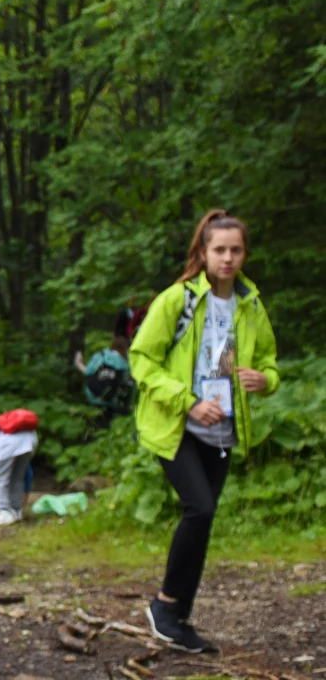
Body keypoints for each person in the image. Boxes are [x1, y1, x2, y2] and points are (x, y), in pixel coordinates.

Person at [130, 210, 279, 654]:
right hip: (176, 426)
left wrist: (264, 380)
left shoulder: (250, 303)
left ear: (244, 253)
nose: (228, 258)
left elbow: (270, 363)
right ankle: (164, 605)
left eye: (236, 250)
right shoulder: (179, 300)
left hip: (224, 430)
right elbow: (141, 360)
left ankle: (178, 618)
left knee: (205, 516)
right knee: (199, 507)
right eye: (219, 250)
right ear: (203, 252)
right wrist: (188, 401)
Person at [0, 408, 38, 527]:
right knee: (18, 476)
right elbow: (27, 475)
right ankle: (17, 511)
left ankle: (5, 512)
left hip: (9, 445)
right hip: (30, 439)